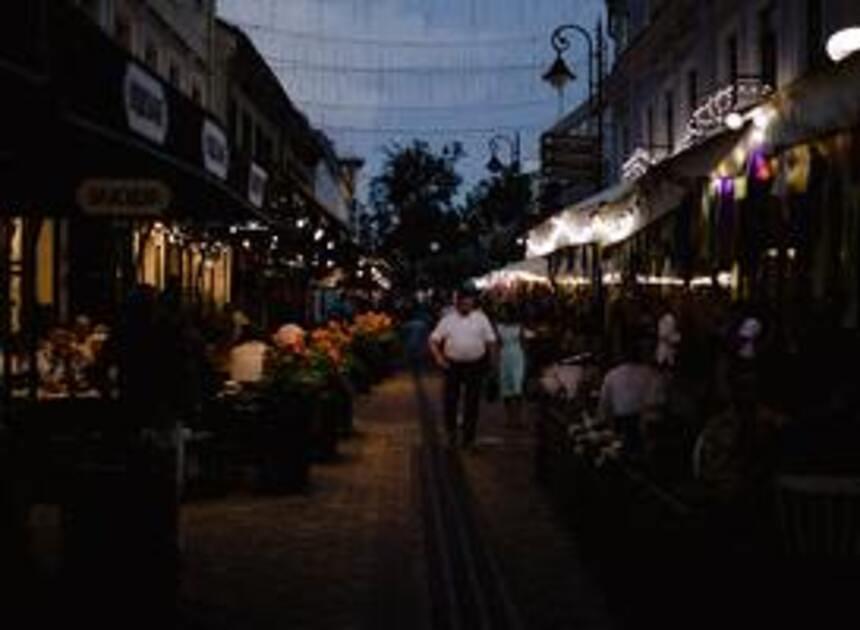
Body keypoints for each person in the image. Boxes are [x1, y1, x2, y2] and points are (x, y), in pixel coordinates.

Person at [429, 287, 497, 450]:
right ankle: (451, 435)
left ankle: (469, 438)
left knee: (472, 402)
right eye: (463, 302)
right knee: (450, 400)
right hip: (453, 365)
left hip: (476, 365)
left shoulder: (481, 318)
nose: (466, 305)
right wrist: (439, 358)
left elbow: (491, 342)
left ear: (473, 303)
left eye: (469, 302)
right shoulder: (448, 320)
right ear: (457, 303)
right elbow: (433, 340)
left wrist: (493, 363)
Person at [597, 328, 662, 457]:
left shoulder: (612, 375)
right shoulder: (653, 375)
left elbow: (603, 413)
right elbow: (657, 407)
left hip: (623, 431)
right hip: (646, 433)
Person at [496, 302, 530, 428]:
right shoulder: (499, 327)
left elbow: (524, 345)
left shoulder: (519, 327)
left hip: (517, 358)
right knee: (506, 390)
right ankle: (510, 418)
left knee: (517, 389)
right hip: (505, 358)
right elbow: (497, 345)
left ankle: (518, 418)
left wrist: (526, 361)